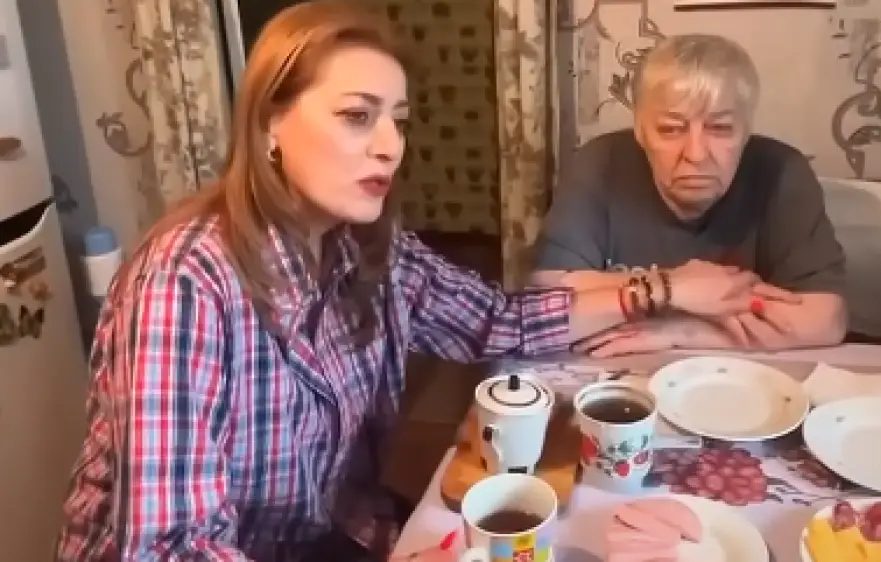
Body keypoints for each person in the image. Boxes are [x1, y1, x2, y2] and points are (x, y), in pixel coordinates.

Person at [54, 3, 757, 561]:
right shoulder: (185, 283)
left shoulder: (365, 245)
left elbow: (498, 320)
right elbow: (171, 548)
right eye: (357, 116)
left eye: (398, 121)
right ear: (270, 123)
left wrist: (662, 289)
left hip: (322, 536)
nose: (391, 146)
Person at [532, 34, 848, 356]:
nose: (696, 154)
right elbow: (546, 298)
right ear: (640, 130)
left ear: (746, 130)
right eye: (671, 129)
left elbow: (825, 318)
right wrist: (678, 288)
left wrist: (683, 330)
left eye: (720, 128)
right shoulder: (599, 163)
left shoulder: (783, 171)